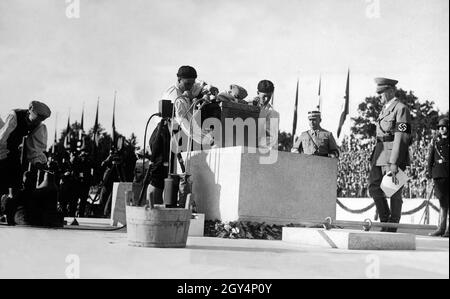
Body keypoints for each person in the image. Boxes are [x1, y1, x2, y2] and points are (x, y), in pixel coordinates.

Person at [368, 78, 412, 232]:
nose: (379, 96)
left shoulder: (400, 108)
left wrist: (394, 161)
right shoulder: (384, 109)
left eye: (382, 92)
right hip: (379, 152)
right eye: (379, 93)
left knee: (393, 189)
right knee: (374, 187)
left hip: (392, 152)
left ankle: (392, 225)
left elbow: (403, 136)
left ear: (391, 91)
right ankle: (385, 219)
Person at [0, 101, 51, 196]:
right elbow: (2, 137)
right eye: (36, 118)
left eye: (40, 120)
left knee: (16, 178)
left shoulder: (38, 125)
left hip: (13, 150)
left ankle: (11, 202)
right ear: (30, 112)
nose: (37, 122)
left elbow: (35, 146)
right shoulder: (14, 116)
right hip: (2, 148)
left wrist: (38, 161)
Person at [162, 65, 218, 151]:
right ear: (179, 80)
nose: (190, 87)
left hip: (191, 122)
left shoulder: (191, 85)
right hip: (174, 127)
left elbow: (201, 86)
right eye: (187, 84)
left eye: (192, 83)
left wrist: (209, 91)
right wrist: (209, 140)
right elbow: (187, 125)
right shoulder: (174, 97)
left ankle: (213, 132)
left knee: (213, 106)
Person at [427, 118, 449, 237]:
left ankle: (447, 230)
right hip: (438, 174)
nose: (441, 129)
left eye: (444, 127)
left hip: (448, 174)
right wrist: (430, 174)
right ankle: (441, 228)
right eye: (440, 127)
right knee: (442, 202)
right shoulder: (435, 141)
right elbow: (430, 159)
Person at [248, 80, 280, 150]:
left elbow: (272, 137)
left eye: (269, 97)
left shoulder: (273, 113)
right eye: (264, 96)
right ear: (257, 93)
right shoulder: (247, 105)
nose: (266, 99)